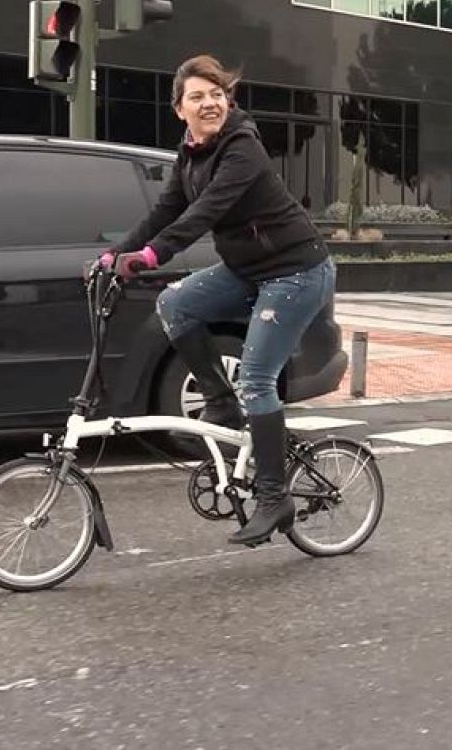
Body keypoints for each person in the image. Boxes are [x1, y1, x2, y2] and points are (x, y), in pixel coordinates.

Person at [102, 54, 336, 544]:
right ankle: (218, 400)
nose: (209, 103)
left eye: (217, 94)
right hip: (247, 270)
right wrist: (115, 255)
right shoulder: (190, 154)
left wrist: (153, 254)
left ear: (227, 100)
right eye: (197, 96)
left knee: (257, 378)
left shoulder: (242, 147)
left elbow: (207, 211)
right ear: (179, 110)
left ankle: (274, 498)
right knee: (174, 304)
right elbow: (166, 210)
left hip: (296, 271)